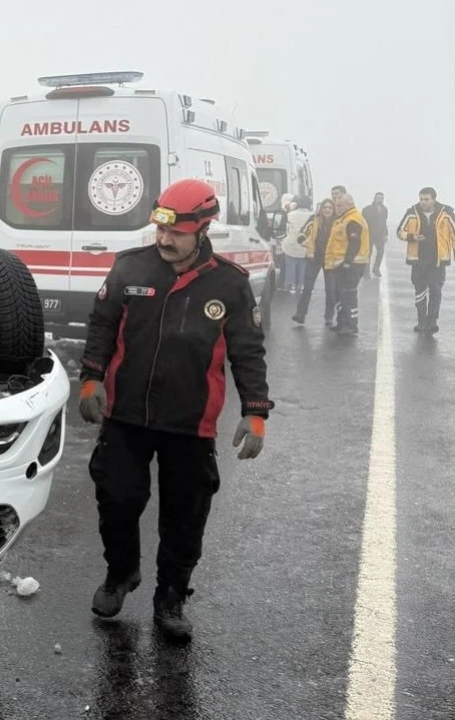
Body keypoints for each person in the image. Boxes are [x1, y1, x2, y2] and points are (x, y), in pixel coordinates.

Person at [77, 178, 273, 642]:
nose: (164, 240)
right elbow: (102, 325)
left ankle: (171, 597)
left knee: (185, 517)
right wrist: (90, 380)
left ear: (203, 229)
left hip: (191, 422)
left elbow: (247, 350)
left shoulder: (230, 283)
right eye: (160, 230)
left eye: (176, 233)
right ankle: (121, 573)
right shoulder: (130, 268)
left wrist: (256, 411)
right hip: (126, 416)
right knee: (118, 500)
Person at [396, 186, 455, 334]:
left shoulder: (446, 213)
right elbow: (399, 231)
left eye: (426, 199)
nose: (423, 202)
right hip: (418, 260)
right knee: (420, 291)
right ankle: (421, 320)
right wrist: (412, 236)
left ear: (434, 199)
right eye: (421, 199)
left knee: (435, 290)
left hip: (438, 261)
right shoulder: (412, 212)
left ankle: (432, 321)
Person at [327, 193, 371, 335]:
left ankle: (351, 325)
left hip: (352, 264)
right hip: (341, 264)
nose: (337, 208)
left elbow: (354, 242)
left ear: (349, 204)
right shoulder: (344, 218)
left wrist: (347, 261)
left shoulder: (353, 219)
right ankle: (342, 322)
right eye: (336, 205)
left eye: (340, 205)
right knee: (340, 294)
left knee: (348, 294)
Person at [292, 198, 338, 326]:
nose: (327, 210)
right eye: (325, 208)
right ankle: (300, 314)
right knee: (307, 288)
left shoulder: (338, 222)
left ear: (333, 210)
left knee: (330, 290)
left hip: (330, 260)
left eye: (330, 208)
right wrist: (305, 244)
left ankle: (329, 316)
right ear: (321, 209)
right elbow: (301, 234)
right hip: (314, 258)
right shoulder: (314, 220)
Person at [280, 194, 311, 293]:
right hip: (305, 245)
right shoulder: (312, 215)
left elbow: (287, 229)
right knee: (303, 266)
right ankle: (301, 286)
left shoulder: (291, 214)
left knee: (290, 265)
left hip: (291, 244)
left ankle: (291, 286)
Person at [363, 192, 390, 278]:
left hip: (380, 235)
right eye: (378, 198)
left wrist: (386, 234)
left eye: (381, 198)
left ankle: (376, 268)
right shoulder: (367, 209)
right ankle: (366, 272)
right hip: (369, 234)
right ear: (374, 198)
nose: (380, 200)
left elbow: (384, 222)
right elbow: (362, 222)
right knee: (368, 253)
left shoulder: (385, 209)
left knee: (381, 252)